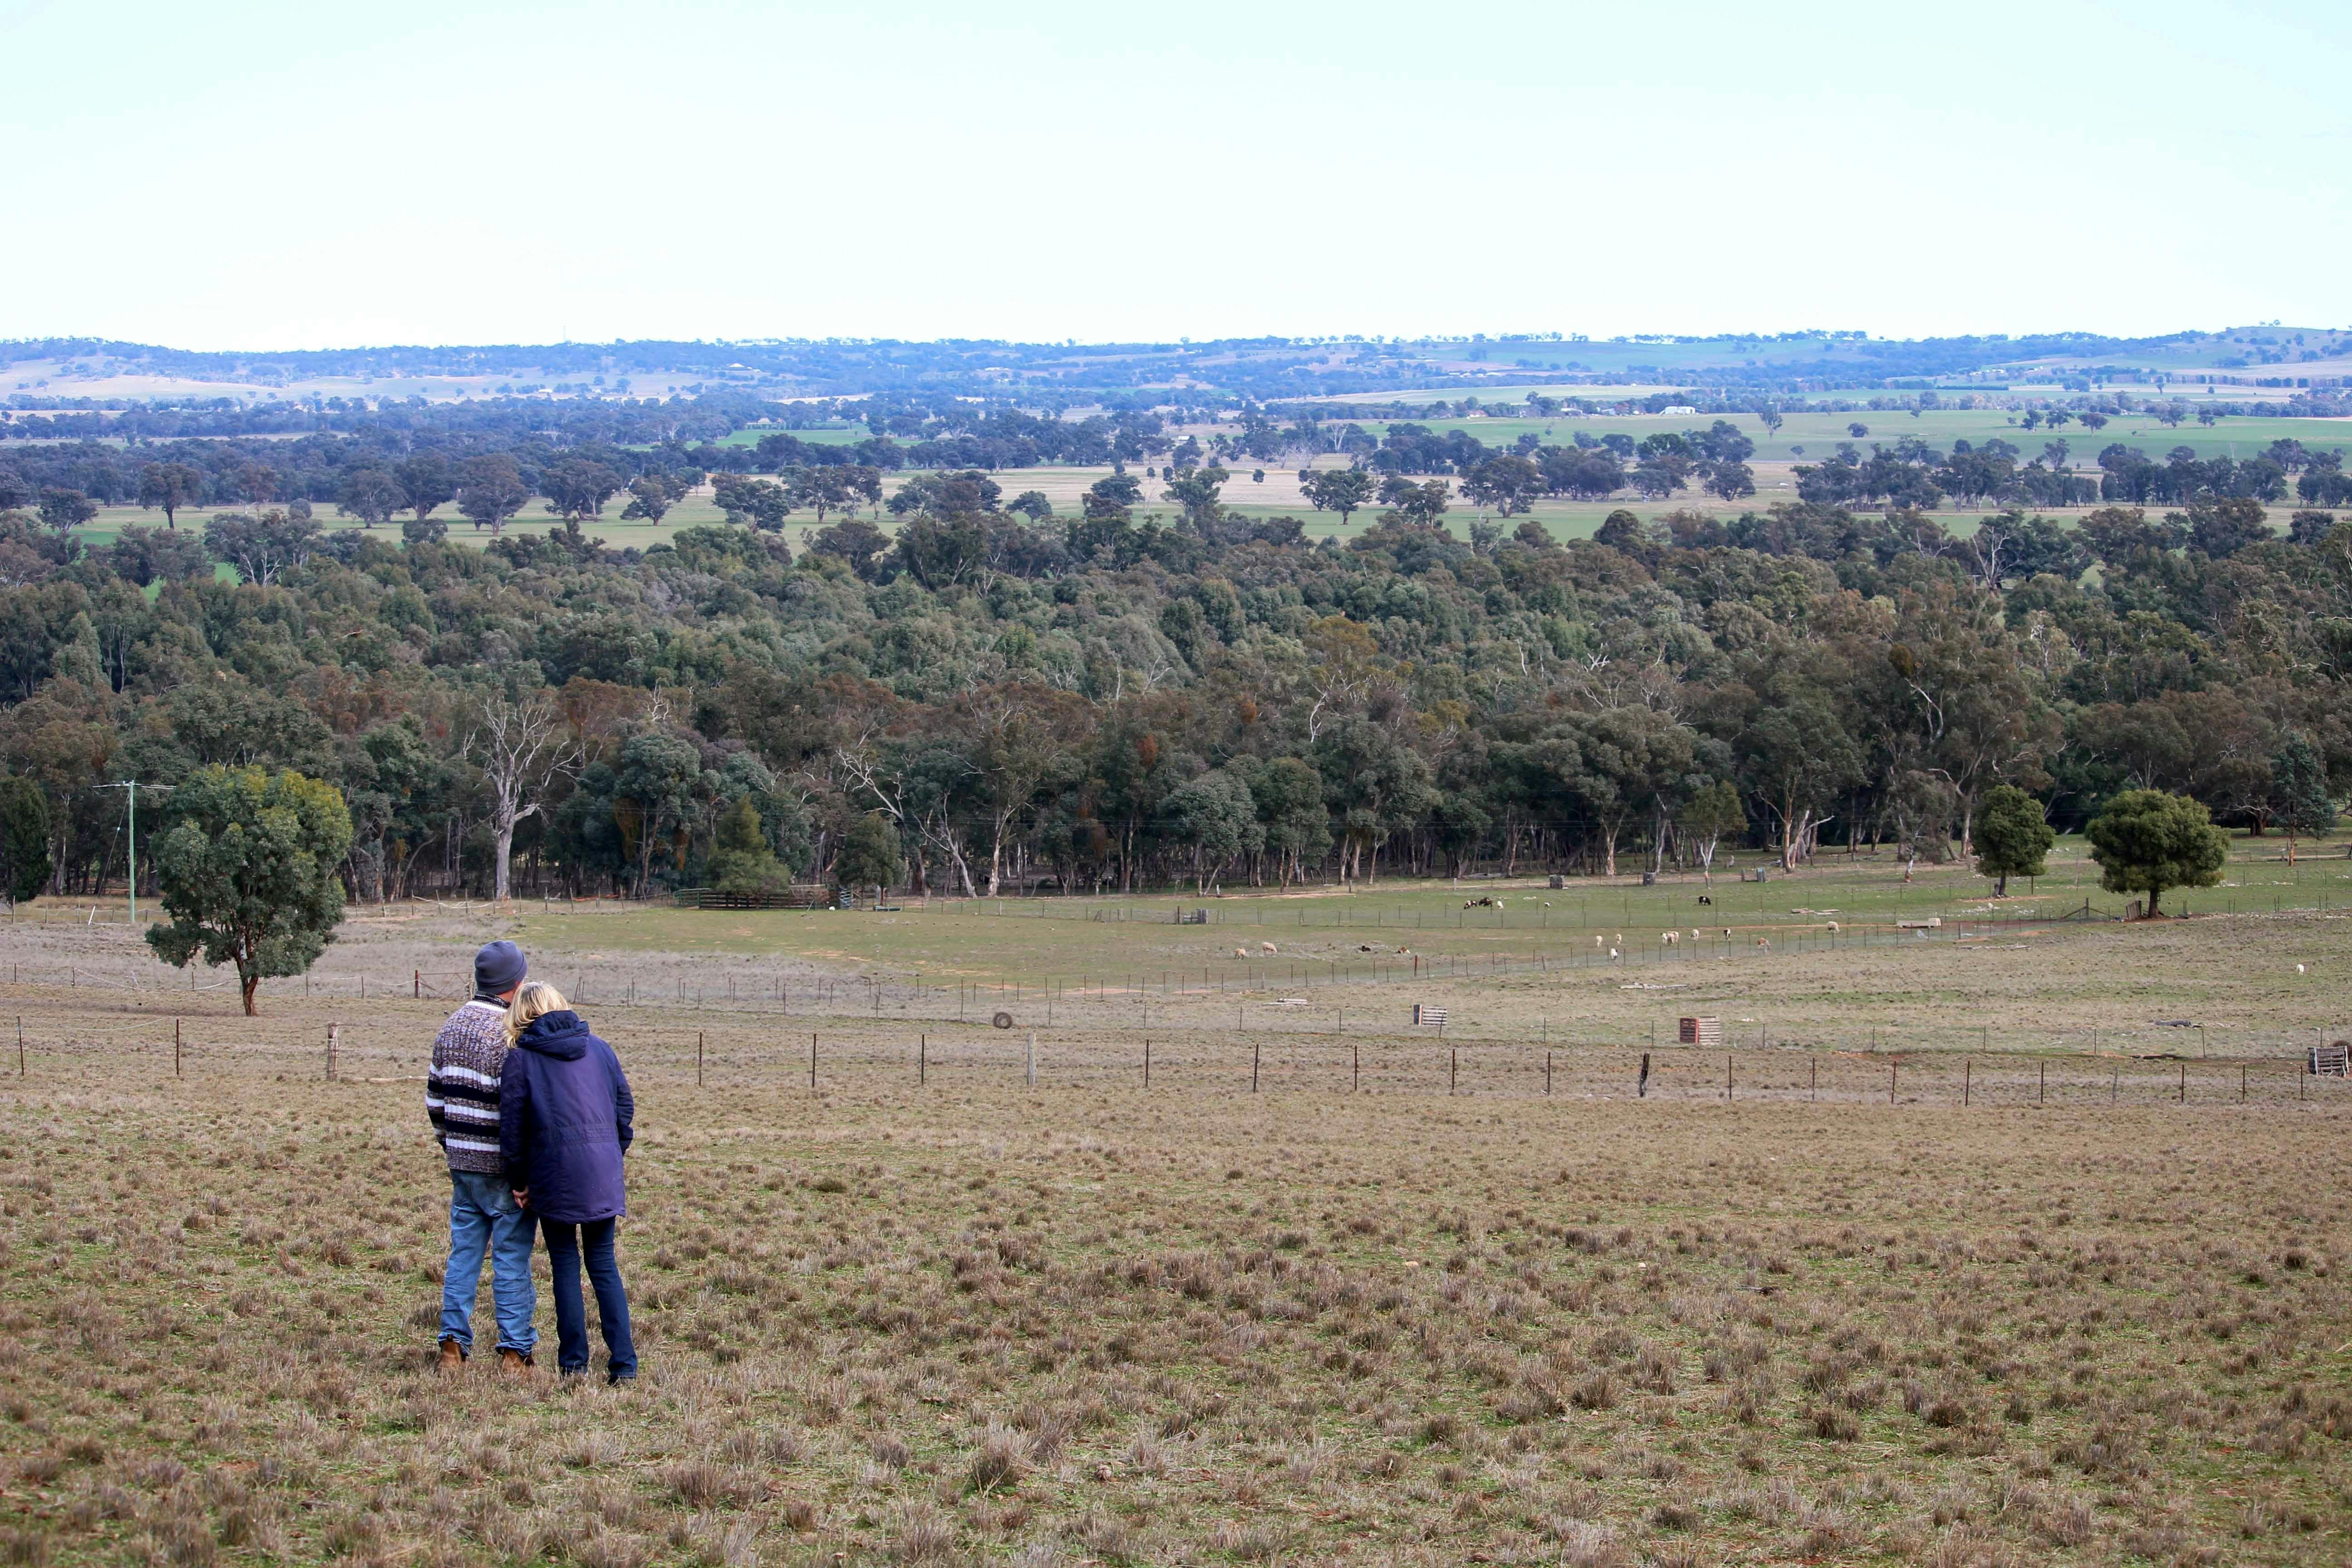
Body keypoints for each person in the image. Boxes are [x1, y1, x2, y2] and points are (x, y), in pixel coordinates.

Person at [499, 981, 638, 1384]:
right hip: (601, 1173)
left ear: (521, 1015)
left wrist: (520, 1180)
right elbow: (624, 1107)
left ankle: (574, 1364)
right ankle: (624, 1366)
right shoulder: (600, 1048)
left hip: (554, 1176)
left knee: (565, 1264)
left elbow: (512, 1130)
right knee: (603, 1265)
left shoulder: (521, 1060)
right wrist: (612, 1154)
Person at [426, 940, 537, 1373]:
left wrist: (452, 1146)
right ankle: (514, 1352)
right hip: (503, 1170)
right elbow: (518, 1111)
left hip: (463, 1165)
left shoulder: (449, 1028)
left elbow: (435, 1101)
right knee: (511, 1260)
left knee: (463, 1256)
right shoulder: (510, 1035)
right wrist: (524, 1171)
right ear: (516, 983)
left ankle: (452, 1347)